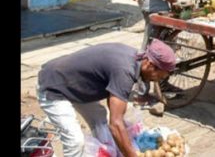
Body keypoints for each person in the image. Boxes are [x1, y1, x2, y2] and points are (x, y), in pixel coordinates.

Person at [37, 39, 176, 157]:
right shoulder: (125, 70)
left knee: (100, 120)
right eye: (160, 76)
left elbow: (115, 105)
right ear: (150, 64)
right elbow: (115, 124)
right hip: (53, 87)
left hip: (74, 86)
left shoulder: (135, 59)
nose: (157, 80)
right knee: (75, 141)